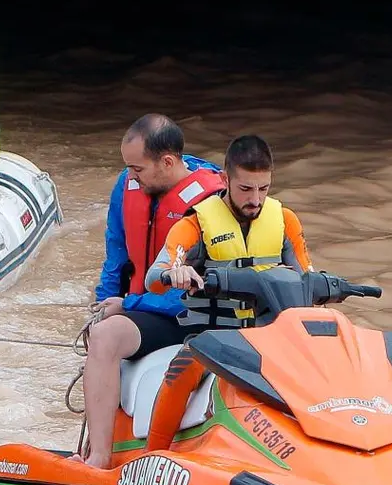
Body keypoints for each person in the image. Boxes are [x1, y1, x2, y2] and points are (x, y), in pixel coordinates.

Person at [77, 133, 310, 467]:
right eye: (246, 189)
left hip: (267, 332)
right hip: (212, 336)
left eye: (263, 189)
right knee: (183, 369)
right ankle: (151, 459)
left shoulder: (285, 221)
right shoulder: (196, 224)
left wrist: (326, 284)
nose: (255, 200)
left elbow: (308, 272)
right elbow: (156, 275)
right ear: (226, 180)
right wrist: (176, 273)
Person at [92, 114, 225, 309]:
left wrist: (130, 304)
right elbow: (115, 255)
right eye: (129, 167)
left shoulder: (212, 201)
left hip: (181, 312)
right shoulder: (126, 184)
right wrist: (101, 305)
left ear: (167, 163)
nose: (131, 176)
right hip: (137, 304)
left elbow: (207, 288)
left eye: (138, 169)